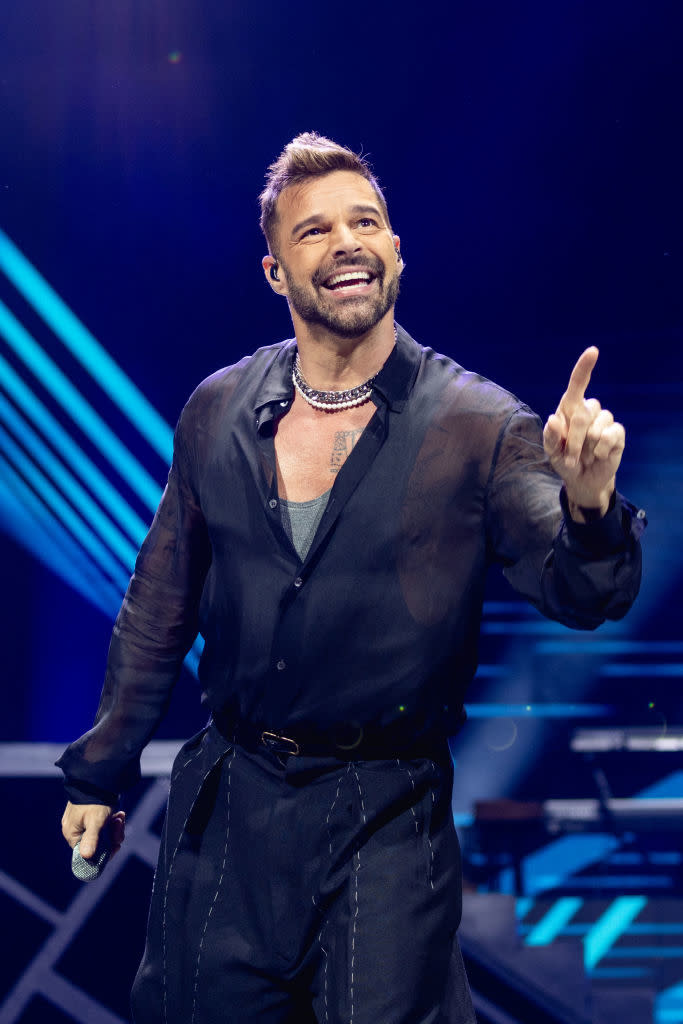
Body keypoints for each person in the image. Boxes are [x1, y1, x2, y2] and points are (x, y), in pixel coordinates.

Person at [58, 132, 644, 1024]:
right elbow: (160, 603)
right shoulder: (217, 410)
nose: (346, 244)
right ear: (274, 273)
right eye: (314, 231)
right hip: (234, 801)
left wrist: (591, 506)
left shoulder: (477, 424)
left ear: (395, 252)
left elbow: (584, 591)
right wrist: (101, 774)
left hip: (386, 811)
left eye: (365, 222)